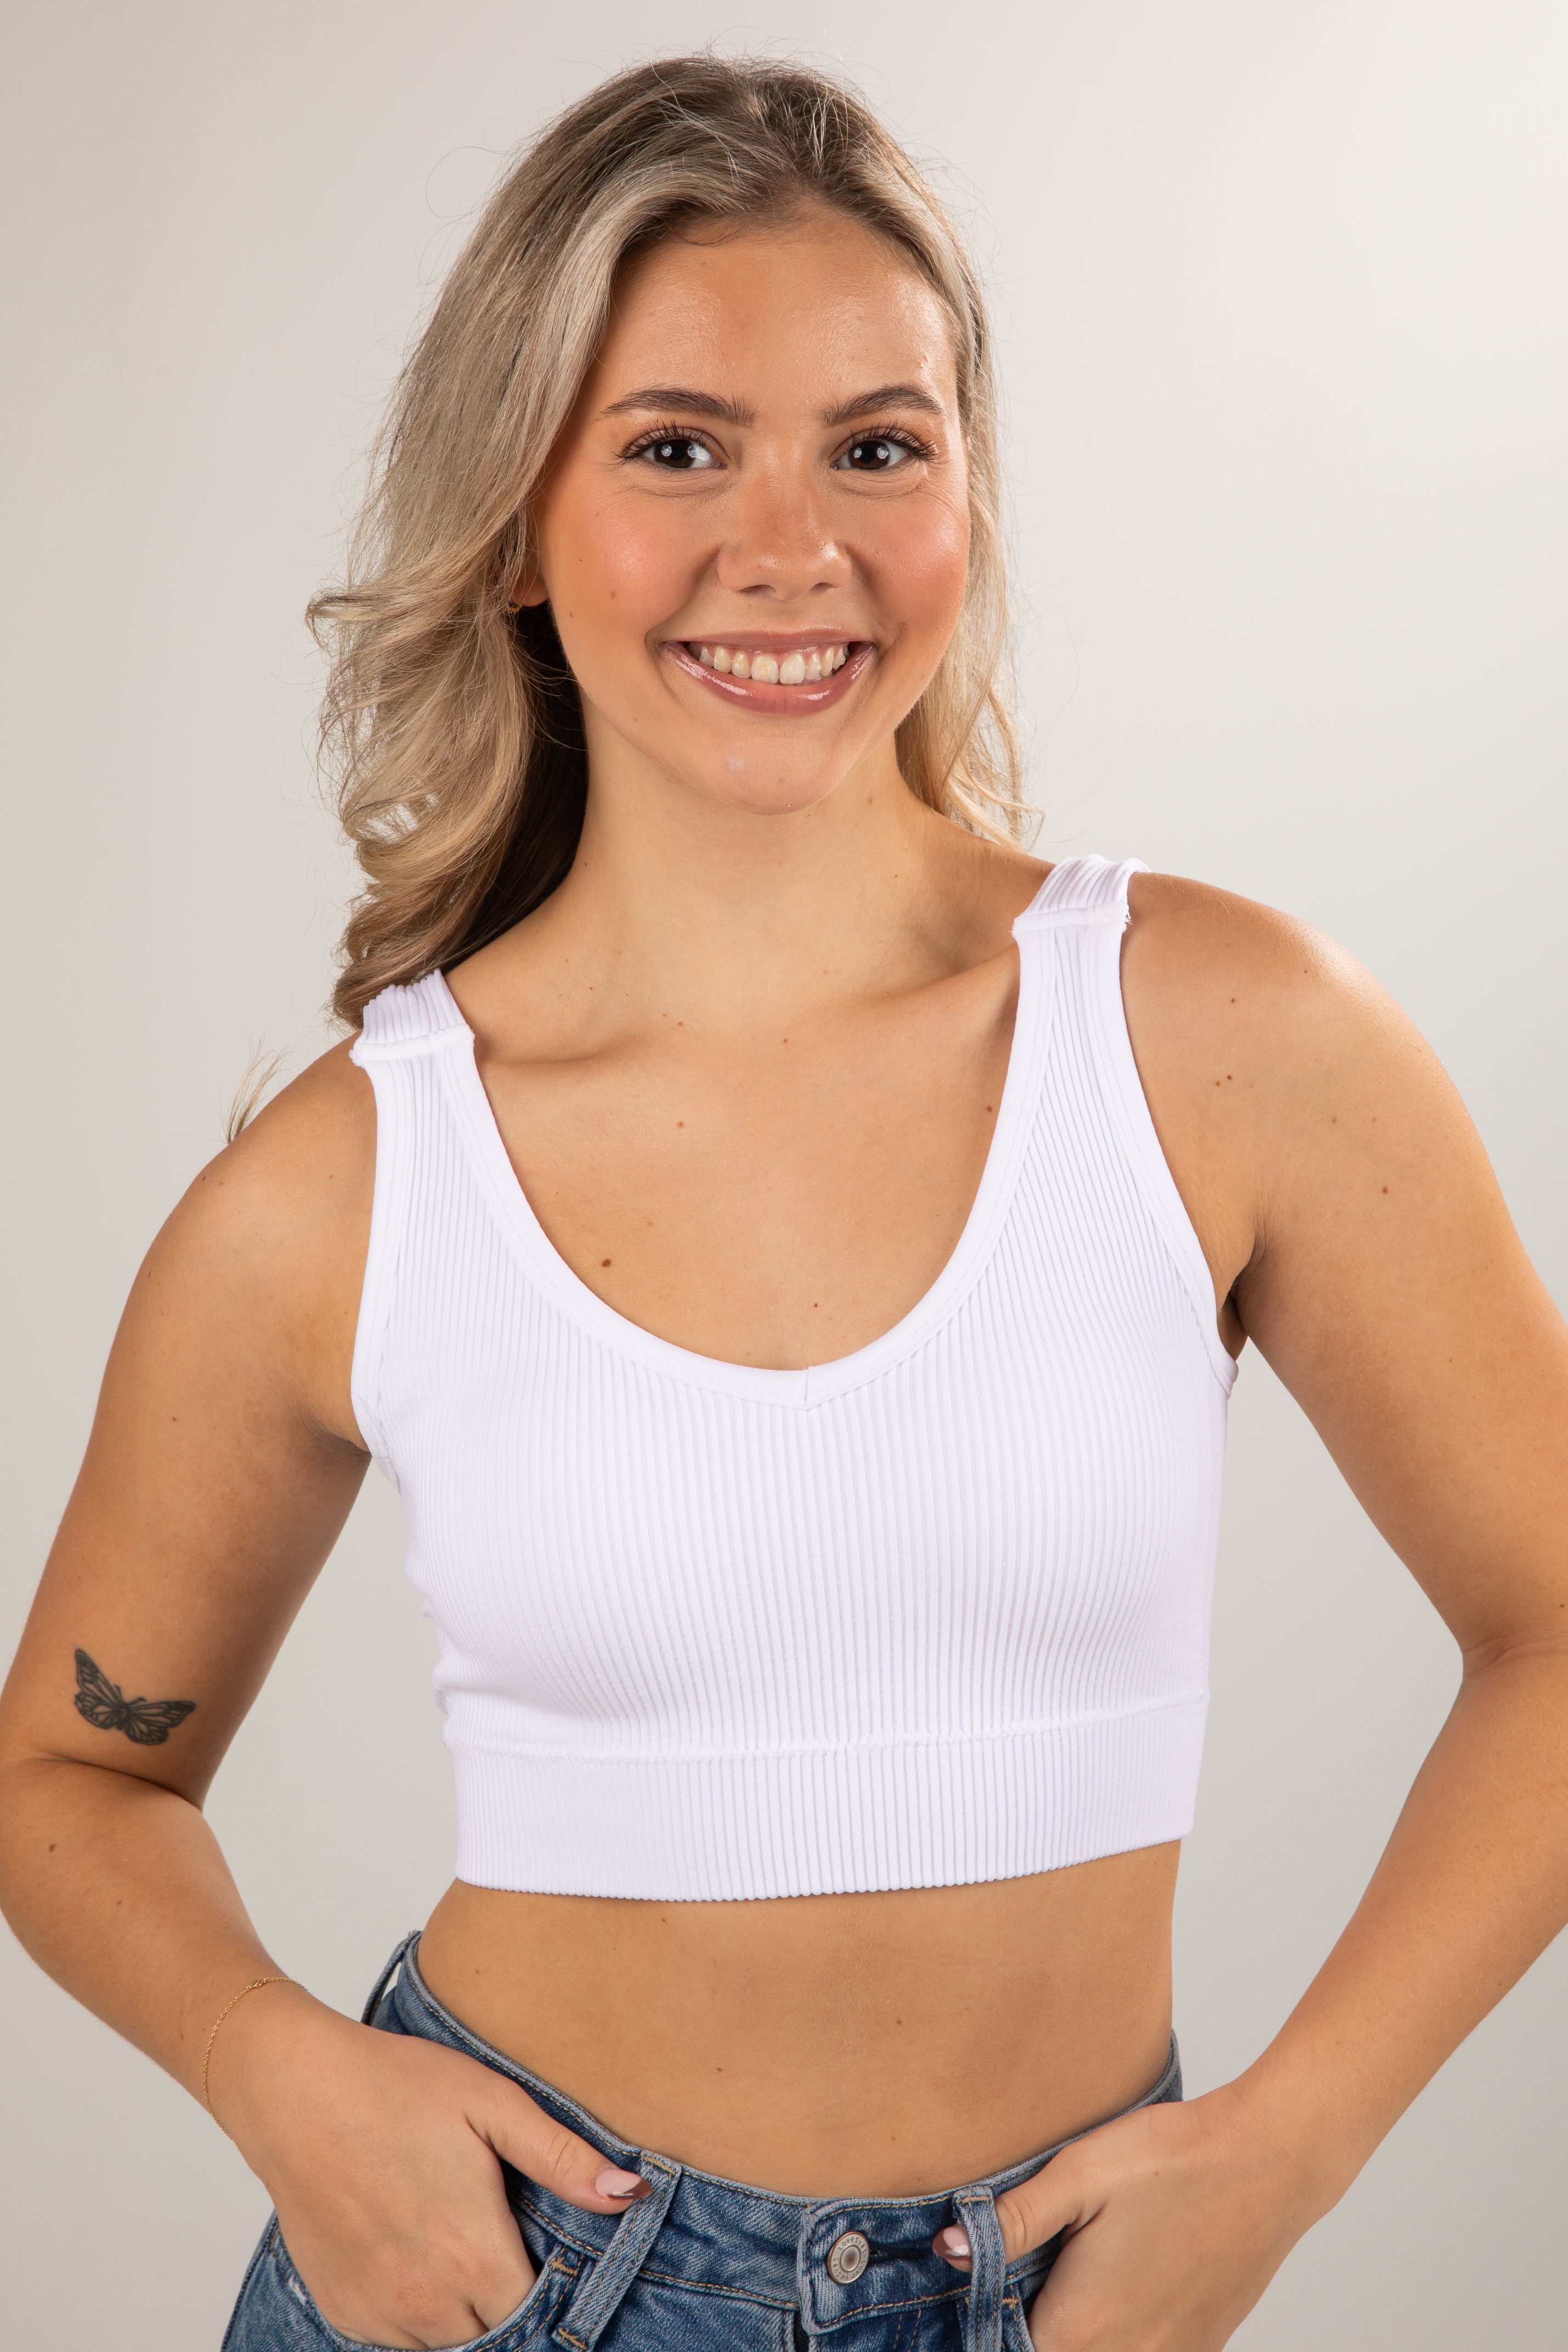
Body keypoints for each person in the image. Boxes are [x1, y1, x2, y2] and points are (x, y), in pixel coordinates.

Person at [2, 53, 1566, 2352]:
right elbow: (68, 1775)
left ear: (966, 493)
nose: (791, 546)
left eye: (876, 445)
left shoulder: (1219, 1038)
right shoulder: (349, 1179)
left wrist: (1291, 2146)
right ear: (515, 520)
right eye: (674, 447)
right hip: (517, 2283)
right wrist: (278, 2074)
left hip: (1071, 2288)